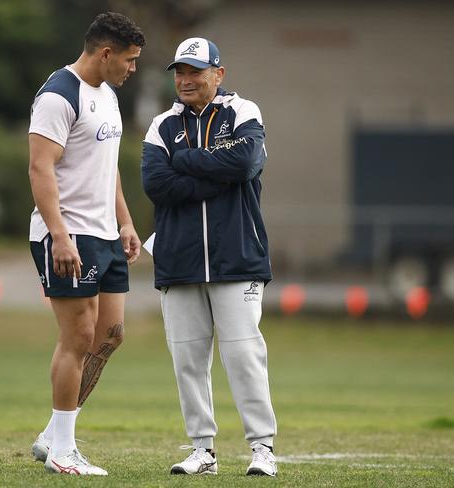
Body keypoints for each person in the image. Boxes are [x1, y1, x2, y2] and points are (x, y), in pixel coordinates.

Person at [141, 37, 277, 477]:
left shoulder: (244, 111)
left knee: (243, 356)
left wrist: (186, 160)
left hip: (237, 258)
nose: (185, 79)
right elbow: (156, 185)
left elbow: (244, 163)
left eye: (195, 71)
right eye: (179, 71)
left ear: (218, 74)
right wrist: (213, 173)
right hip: (178, 261)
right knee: (187, 361)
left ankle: (262, 449)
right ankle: (202, 450)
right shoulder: (161, 125)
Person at [27, 12, 144, 476]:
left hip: (104, 234)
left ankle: (52, 436)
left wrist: (126, 223)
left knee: (109, 336)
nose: (133, 69)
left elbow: (106, 164)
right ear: (105, 53)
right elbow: (40, 168)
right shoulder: (58, 95)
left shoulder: (109, 96)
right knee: (77, 336)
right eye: (130, 60)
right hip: (67, 235)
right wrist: (59, 235)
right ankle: (62, 449)